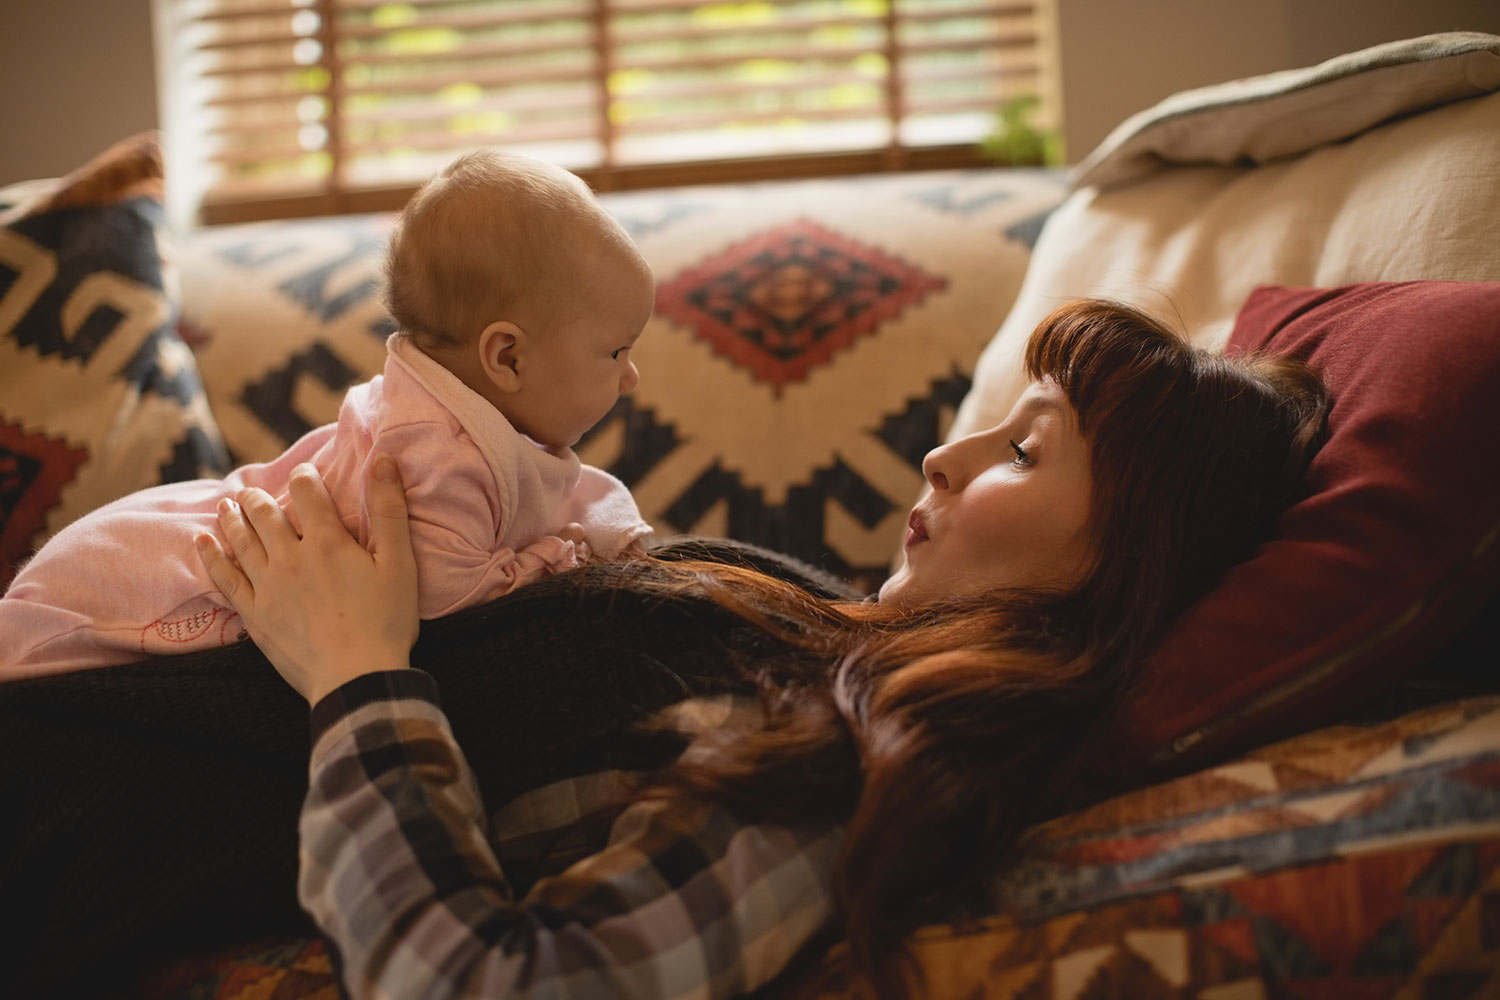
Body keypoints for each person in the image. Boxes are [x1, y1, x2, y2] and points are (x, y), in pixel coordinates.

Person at [194, 298, 1332, 999]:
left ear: (1131, 563)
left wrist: (356, 676)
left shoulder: (842, 765)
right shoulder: (815, 630)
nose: (943, 454)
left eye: (1026, 452)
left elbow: (487, 981)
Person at [0, 150, 653, 678]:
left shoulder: (485, 425)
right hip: (147, 581)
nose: (630, 379)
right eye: (616, 350)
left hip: (172, 541)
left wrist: (609, 531)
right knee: (31, 656)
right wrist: (562, 560)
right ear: (506, 356)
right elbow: (446, 605)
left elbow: (567, 497)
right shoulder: (435, 450)